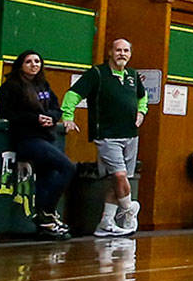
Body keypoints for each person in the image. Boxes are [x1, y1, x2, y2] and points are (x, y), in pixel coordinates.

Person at [62, 38, 147, 236]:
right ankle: (129, 208)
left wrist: (141, 112)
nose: (122, 54)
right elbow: (73, 94)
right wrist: (68, 116)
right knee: (119, 175)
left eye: (126, 50)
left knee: (115, 181)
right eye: (118, 50)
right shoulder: (97, 74)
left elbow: (142, 97)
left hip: (131, 135)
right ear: (110, 52)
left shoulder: (133, 75)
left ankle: (106, 222)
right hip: (107, 135)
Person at [0, 50, 74, 238]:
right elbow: (5, 113)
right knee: (67, 167)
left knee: (48, 176)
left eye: (37, 61)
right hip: (27, 139)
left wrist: (52, 118)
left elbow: (56, 108)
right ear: (20, 65)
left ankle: (44, 222)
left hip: (45, 136)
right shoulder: (11, 87)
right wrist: (35, 119)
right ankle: (46, 213)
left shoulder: (43, 85)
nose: (34, 65)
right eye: (29, 61)